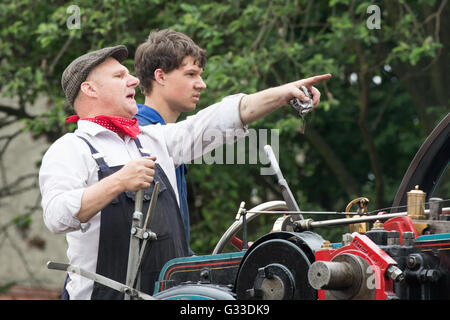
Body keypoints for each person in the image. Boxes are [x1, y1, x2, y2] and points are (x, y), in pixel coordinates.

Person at [39, 44, 331, 300]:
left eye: (128, 73)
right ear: (90, 90)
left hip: (169, 296)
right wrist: (118, 181)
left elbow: (217, 119)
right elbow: (56, 216)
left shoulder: (154, 139)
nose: (132, 80)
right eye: (119, 76)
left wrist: (282, 94)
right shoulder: (71, 149)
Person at [133, 29, 208, 256]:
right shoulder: (138, 133)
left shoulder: (167, 134)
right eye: (191, 74)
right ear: (160, 76)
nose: (201, 84)